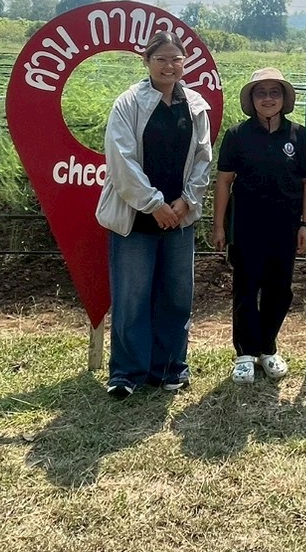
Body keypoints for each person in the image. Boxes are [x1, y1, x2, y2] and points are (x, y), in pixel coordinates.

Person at [95, 31, 215, 399]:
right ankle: (127, 373)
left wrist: (186, 202)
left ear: (185, 62)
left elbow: (203, 158)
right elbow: (121, 160)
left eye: (176, 59)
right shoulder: (128, 102)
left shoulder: (195, 105)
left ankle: (170, 368)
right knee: (131, 296)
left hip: (179, 216)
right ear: (146, 61)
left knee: (176, 295)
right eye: (161, 59)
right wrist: (154, 204)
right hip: (136, 216)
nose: (169, 66)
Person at [210, 68, 306, 384]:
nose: (268, 99)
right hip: (245, 227)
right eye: (261, 92)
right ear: (251, 99)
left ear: (284, 98)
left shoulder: (299, 135)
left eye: (275, 92)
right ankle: (245, 354)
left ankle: (268, 349)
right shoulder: (237, 135)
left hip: (285, 228)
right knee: (245, 289)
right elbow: (224, 182)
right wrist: (219, 226)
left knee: (279, 290)